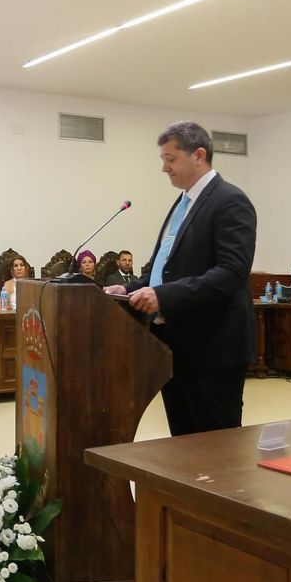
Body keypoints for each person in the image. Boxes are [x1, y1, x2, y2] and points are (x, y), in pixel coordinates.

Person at [106, 121, 257, 436]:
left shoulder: (230, 200)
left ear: (199, 155)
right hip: (173, 347)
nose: (164, 168)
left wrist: (164, 297)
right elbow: (162, 269)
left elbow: (231, 273)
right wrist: (129, 287)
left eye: (170, 159)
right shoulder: (183, 202)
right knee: (183, 446)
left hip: (212, 350)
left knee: (217, 447)